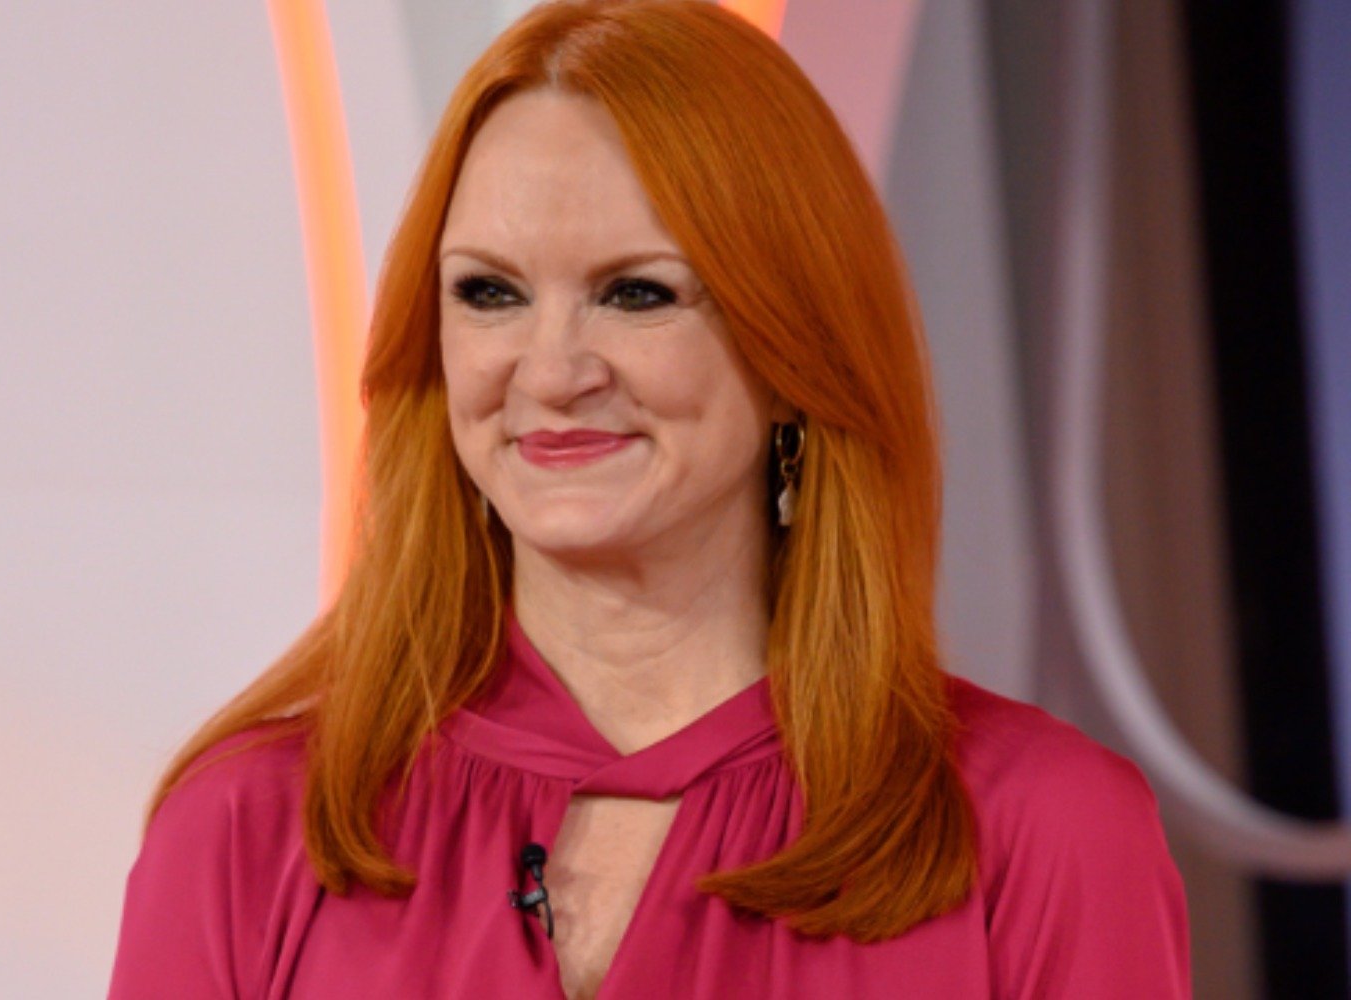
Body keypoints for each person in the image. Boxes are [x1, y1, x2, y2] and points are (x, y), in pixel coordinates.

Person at [108, 1, 1191, 997]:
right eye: (489, 293)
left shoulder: (1041, 828)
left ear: (793, 349)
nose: (548, 370)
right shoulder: (246, 827)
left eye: (636, 293)